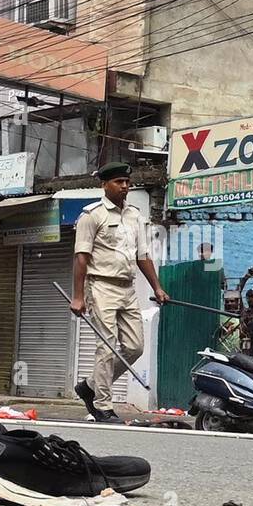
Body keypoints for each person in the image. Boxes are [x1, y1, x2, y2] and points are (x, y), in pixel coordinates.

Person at [70, 162, 169, 423]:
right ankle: (102, 405)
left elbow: (143, 255)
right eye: (118, 182)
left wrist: (157, 287)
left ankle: (89, 386)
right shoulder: (91, 215)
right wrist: (78, 296)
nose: (125, 186)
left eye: (127, 182)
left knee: (135, 347)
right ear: (105, 184)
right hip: (100, 286)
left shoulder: (135, 215)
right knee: (106, 346)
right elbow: (81, 257)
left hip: (127, 287)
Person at [216, 290, 242, 355]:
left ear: (237, 302)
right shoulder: (219, 316)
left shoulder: (240, 317)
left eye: (232, 301)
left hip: (237, 353)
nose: (229, 303)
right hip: (221, 352)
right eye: (226, 301)